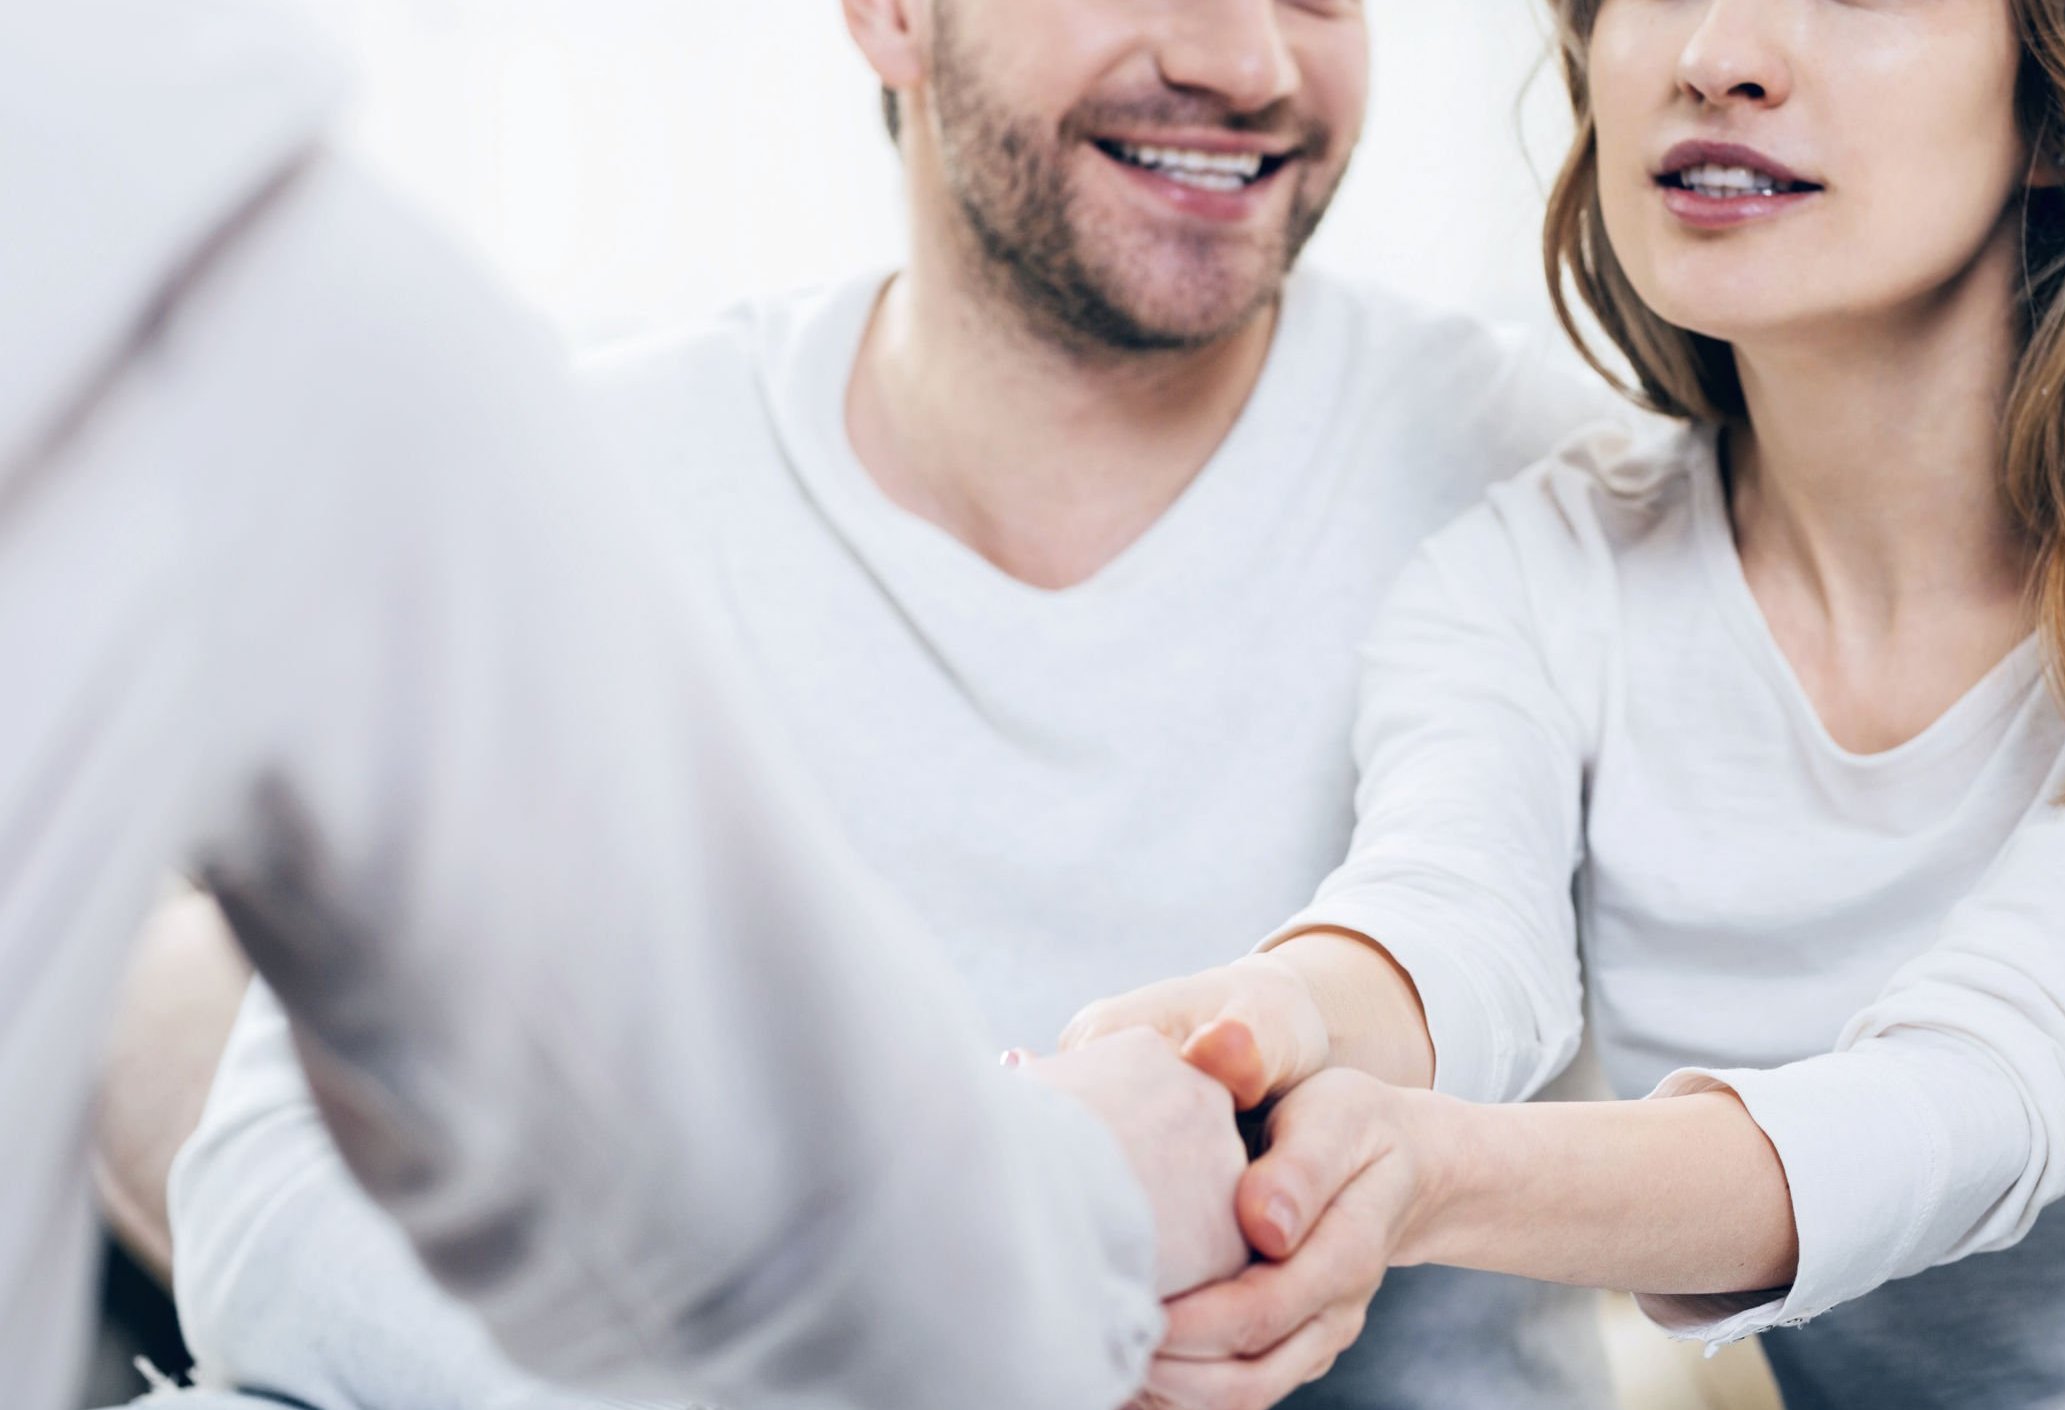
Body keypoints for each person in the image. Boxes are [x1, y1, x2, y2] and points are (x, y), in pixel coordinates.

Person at [136, 1, 1624, 1408]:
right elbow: (281, 1222)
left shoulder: (1557, 487)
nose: (1247, 62)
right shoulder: (608, 483)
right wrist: (974, 1286)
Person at [1069, 1, 2065, 1407]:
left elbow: (1974, 1096)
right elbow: (1441, 923)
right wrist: (1256, 1029)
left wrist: (1414, 1173)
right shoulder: (1533, 576)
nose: (1715, 57)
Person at [1, 2, 1251, 1408]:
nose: (1245, 59)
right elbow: (848, 1286)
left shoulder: (1510, 487)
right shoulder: (261, 315)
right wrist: (1098, 1188)